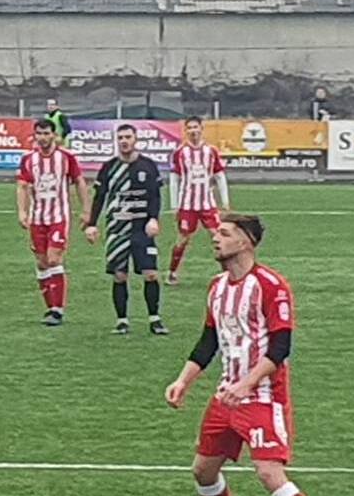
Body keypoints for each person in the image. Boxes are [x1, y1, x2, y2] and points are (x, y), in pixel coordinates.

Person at [163, 214, 333, 496]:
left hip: (262, 395)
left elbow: (281, 347)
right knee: (203, 470)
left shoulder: (272, 286)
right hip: (227, 394)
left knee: (269, 472)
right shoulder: (216, 287)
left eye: (225, 234)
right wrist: (183, 381)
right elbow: (208, 342)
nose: (215, 238)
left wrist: (246, 385)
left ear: (246, 242)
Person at [84, 124, 167, 335]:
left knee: (150, 274)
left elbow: (155, 196)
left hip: (142, 229)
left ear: (135, 139)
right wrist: (92, 223)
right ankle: (122, 321)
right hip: (118, 229)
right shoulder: (109, 167)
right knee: (119, 275)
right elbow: (99, 197)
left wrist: (154, 219)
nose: (124, 141)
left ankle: (155, 319)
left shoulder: (148, 166)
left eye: (127, 137)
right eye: (120, 137)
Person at [17, 118, 91, 326]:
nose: (42, 137)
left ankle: (58, 310)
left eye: (46, 133)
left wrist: (87, 210)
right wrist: (22, 212)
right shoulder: (29, 160)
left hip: (59, 217)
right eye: (39, 133)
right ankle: (50, 307)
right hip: (37, 217)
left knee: (53, 259)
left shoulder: (66, 158)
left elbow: (79, 182)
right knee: (41, 263)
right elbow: (22, 186)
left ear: (54, 135)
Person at [164, 115, 230, 285]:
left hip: (207, 204)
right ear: (186, 131)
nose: (193, 131)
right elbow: (174, 179)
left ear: (201, 128)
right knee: (183, 239)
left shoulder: (211, 151)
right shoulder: (180, 152)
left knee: (219, 237)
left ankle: (229, 273)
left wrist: (225, 201)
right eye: (189, 128)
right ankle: (172, 272)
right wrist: (174, 204)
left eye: (195, 127)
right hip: (187, 205)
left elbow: (220, 176)